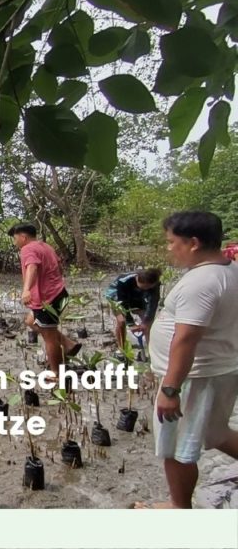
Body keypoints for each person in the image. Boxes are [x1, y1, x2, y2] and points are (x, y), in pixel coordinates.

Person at [137, 211, 238, 509]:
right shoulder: (229, 269)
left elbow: (186, 339)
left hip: (194, 376)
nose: (169, 248)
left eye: (172, 242)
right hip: (221, 369)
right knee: (217, 433)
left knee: (176, 447)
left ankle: (178, 509)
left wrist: (170, 389)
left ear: (193, 242)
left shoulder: (201, 282)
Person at [8, 222, 81, 376]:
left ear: (23, 237)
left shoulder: (27, 248)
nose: (15, 243)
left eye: (15, 239)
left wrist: (27, 289)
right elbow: (59, 267)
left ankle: (56, 374)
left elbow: (32, 266)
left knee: (49, 338)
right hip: (60, 293)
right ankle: (68, 344)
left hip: (47, 299)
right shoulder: (46, 247)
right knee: (30, 321)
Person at [104, 268, 162, 352]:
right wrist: (131, 324)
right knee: (121, 321)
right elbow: (122, 303)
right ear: (137, 279)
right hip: (117, 296)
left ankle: (151, 350)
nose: (146, 289)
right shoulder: (123, 281)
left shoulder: (155, 284)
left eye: (147, 288)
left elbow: (153, 303)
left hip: (137, 296)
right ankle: (122, 349)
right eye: (143, 287)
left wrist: (145, 322)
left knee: (148, 323)